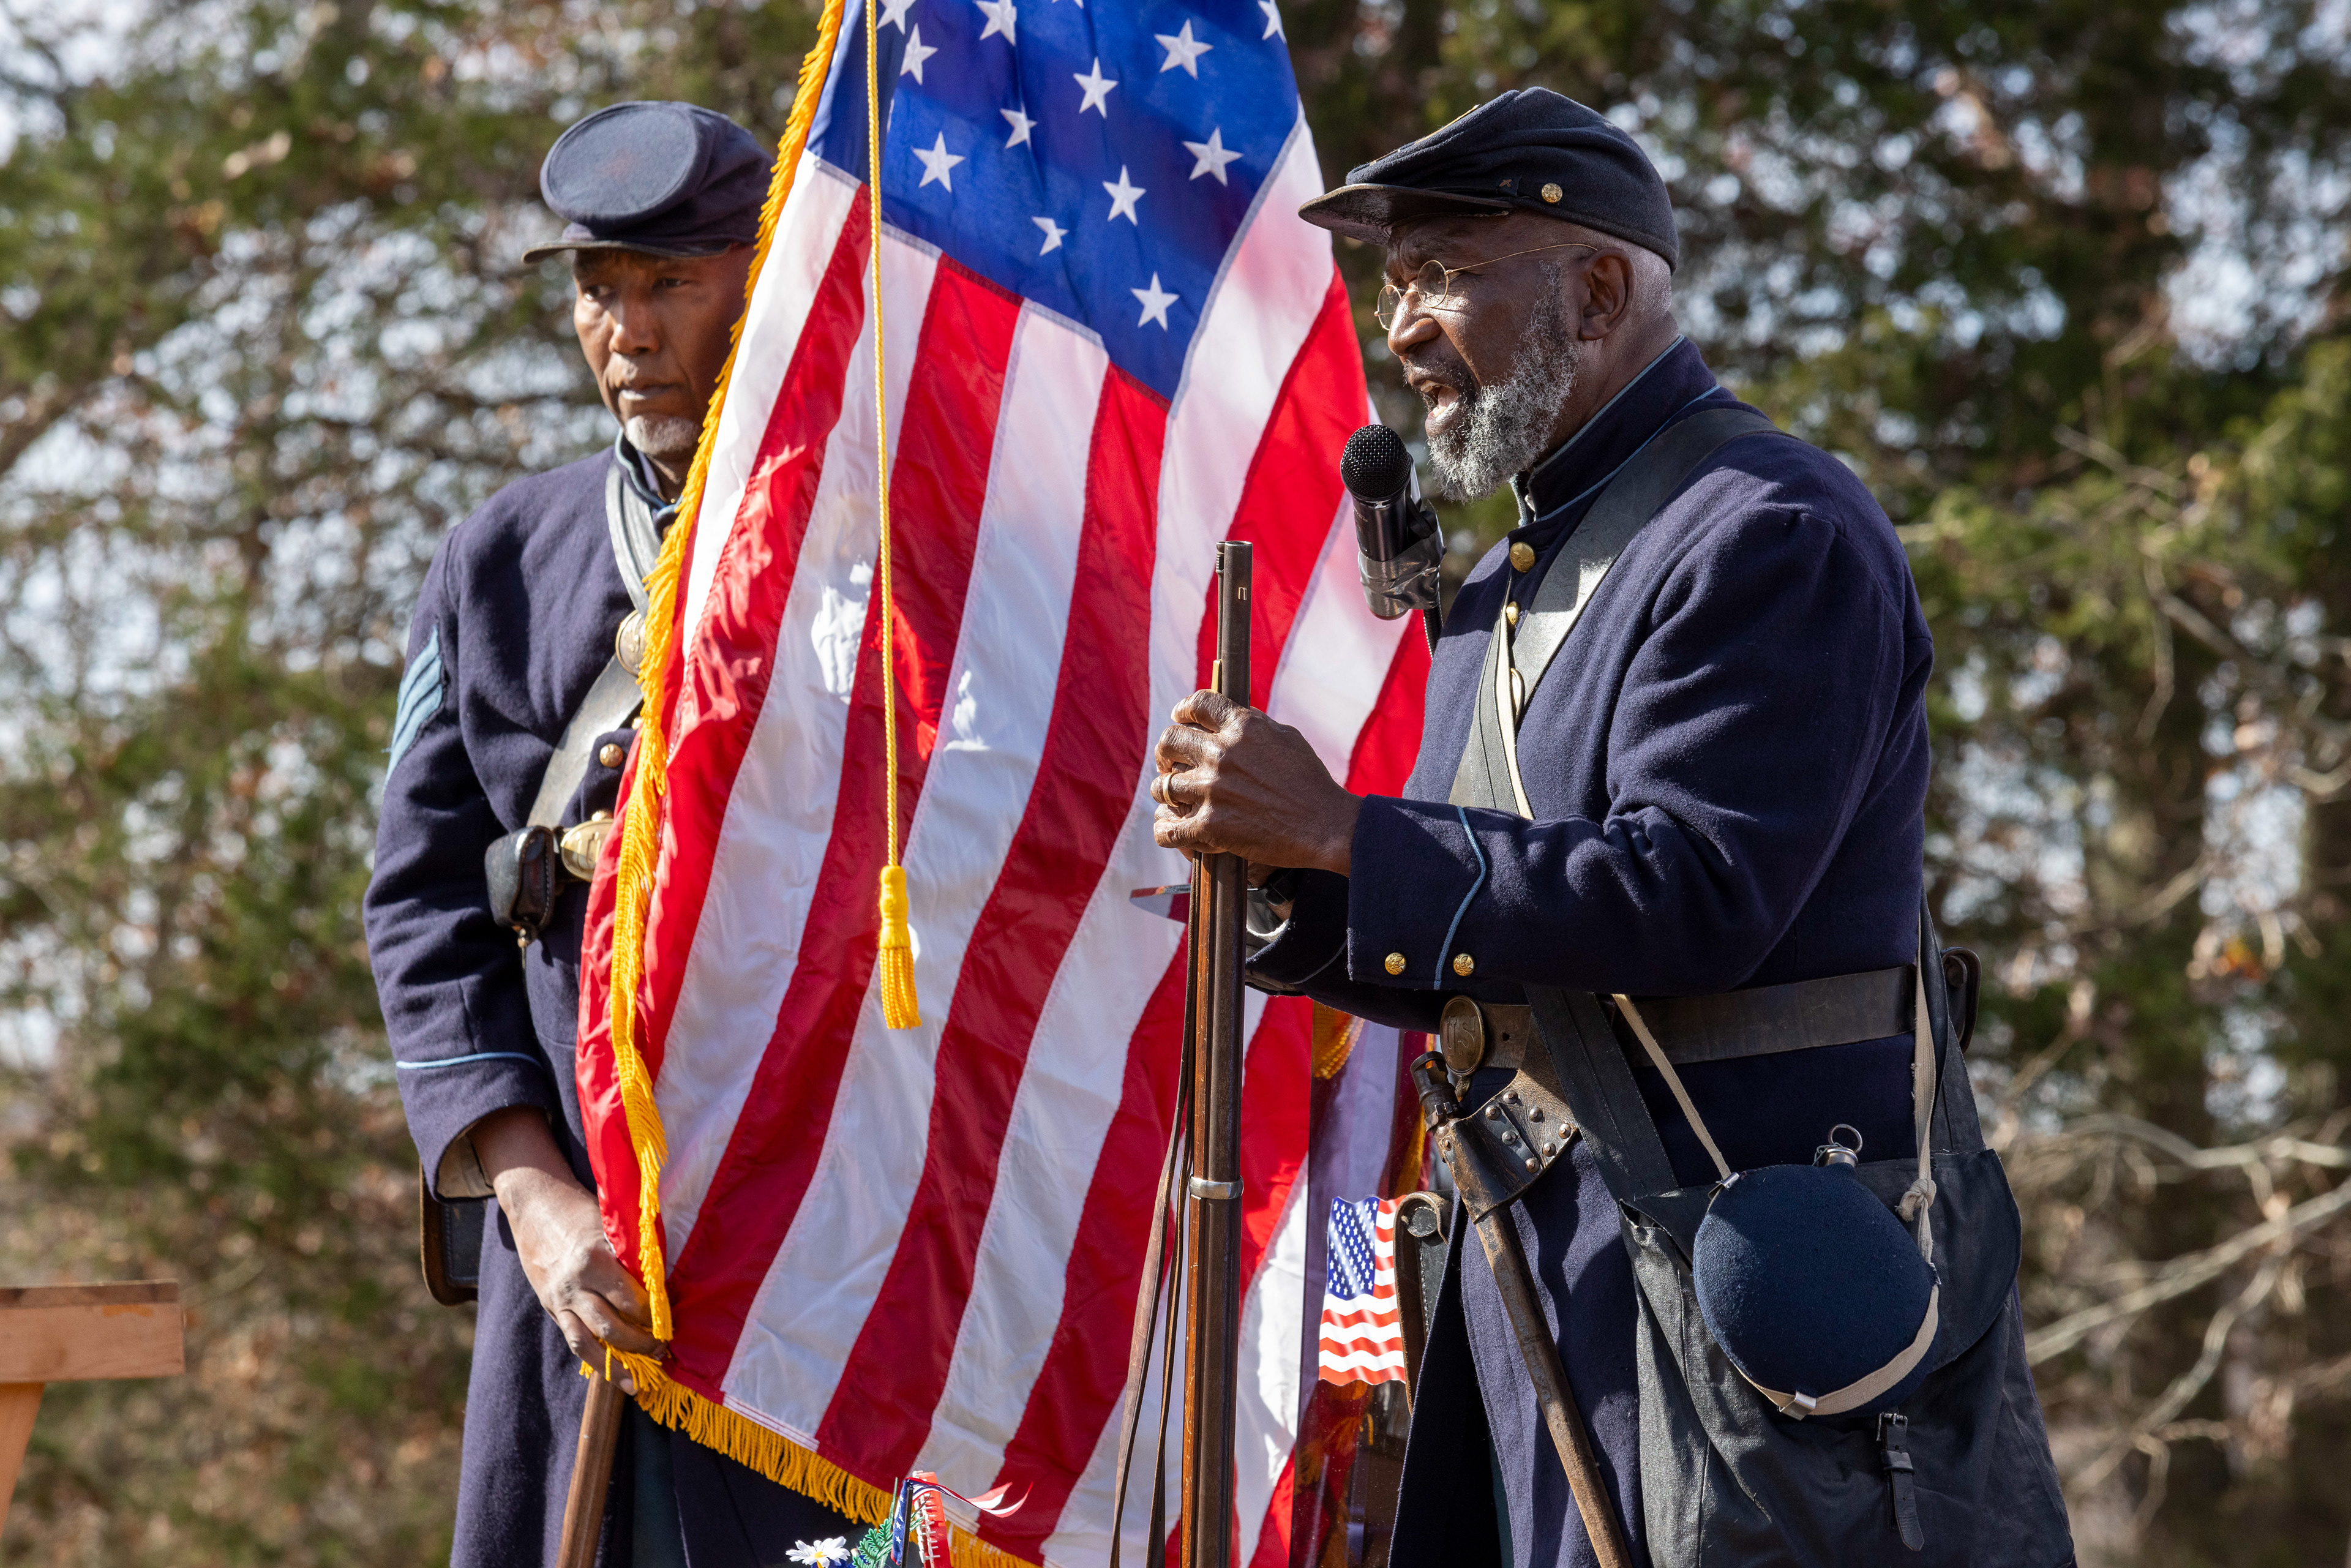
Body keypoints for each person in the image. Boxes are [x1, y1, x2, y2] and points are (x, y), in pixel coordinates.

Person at [1150, 89, 2072, 1567]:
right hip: (1544, 1283)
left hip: (1730, 1310)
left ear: (1596, 288)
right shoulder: (1517, 582)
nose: (1403, 330)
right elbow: (1497, 949)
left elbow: (1699, 892)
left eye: (1448, 272)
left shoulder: (1766, 529)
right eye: (1397, 287)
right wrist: (1291, 883)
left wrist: (1346, 834)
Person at [366, 101, 860, 1567]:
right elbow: (423, 906)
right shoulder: (499, 562)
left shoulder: (895, 535)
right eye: (598, 289)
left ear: (757, 281)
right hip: (582, 1256)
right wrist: (529, 1194)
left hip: (835, 1258)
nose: (626, 329)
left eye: (669, 284)